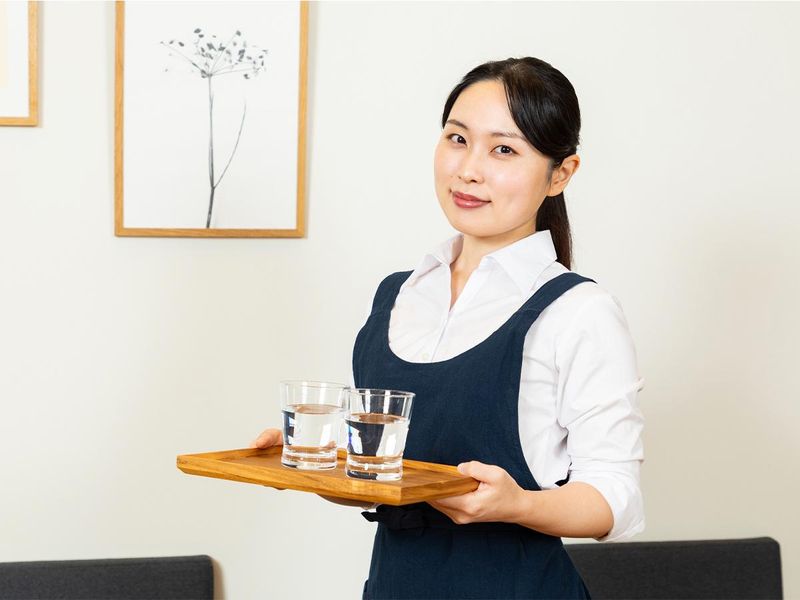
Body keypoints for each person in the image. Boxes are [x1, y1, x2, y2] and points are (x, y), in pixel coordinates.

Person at [252, 56, 645, 599]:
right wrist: (313, 464)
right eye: (458, 139)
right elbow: (382, 477)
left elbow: (616, 498)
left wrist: (518, 505)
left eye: (503, 150)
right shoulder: (397, 296)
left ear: (561, 173)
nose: (468, 170)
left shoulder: (579, 310)